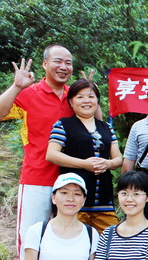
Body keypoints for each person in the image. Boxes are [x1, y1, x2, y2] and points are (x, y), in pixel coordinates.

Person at [0, 44, 80, 260]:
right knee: (31, 235)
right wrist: (16, 86)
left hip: (70, 178)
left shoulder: (74, 96)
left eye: (68, 63)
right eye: (58, 61)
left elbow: (95, 124)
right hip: (36, 177)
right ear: (45, 64)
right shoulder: (30, 93)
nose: (63, 66)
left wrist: (89, 93)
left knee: (64, 237)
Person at [46, 79, 122, 233]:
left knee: (108, 240)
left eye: (91, 96)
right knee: (73, 239)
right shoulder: (63, 125)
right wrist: (84, 164)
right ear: (71, 102)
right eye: (80, 97)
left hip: (104, 200)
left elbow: (118, 158)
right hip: (73, 200)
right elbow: (51, 154)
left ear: (97, 101)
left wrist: (108, 164)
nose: (86, 101)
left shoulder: (106, 127)